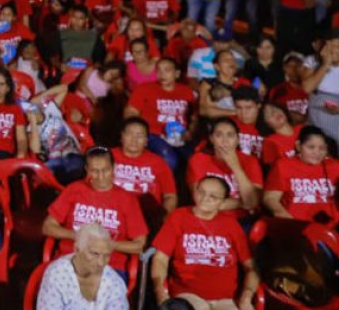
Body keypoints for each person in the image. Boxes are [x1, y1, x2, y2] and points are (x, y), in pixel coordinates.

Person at [152, 176, 260, 310]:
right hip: (188, 296)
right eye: (201, 192)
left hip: (226, 299)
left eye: (213, 196)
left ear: (223, 202)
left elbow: (251, 267)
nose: (204, 198)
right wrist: (160, 292)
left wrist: (246, 297)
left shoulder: (231, 224)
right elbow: (160, 259)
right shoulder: (178, 217)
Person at [42, 147, 149, 278]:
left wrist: (108, 244)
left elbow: (139, 245)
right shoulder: (74, 189)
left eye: (105, 170)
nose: (101, 177)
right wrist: (78, 236)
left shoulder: (127, 199)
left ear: (114, 167)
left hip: (108, 266)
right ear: (87, 170)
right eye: (95, 171)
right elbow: (48, 227)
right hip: (71, 260)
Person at [35, 223, 129, 310]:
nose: (101, 263)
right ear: (77, 249)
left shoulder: (114, 282)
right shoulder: (57, 274)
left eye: (106, 255)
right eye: (94, 253)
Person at [186, 118, 264, 222]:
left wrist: (235, 166)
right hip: (209, 217)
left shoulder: (250, 162)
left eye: (230, 135)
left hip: (240, 220)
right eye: (219, 135)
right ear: (212, 139)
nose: (225, 140)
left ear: (237, 140)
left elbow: (252, 201)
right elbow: (201, 202)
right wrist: (241, 203)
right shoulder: (199, 160)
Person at [263, 126, 339, 226]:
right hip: (296, 226)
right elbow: (270, 198)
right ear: (298, 146)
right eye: (311, 147)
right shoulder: (283, 165)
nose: (317, 152)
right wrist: (287, 219)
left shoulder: (334, 166)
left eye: (322, 148)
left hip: (332, 227)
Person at [112, 118, 178, 216]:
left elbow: (170, 196)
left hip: (146, 214)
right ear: (121, 137)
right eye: (129, 134)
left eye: (139, 135)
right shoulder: (108, 156)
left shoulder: (158, 162)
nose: (134, 139)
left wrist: (164, 217)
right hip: (114, 209)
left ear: (146, 141)